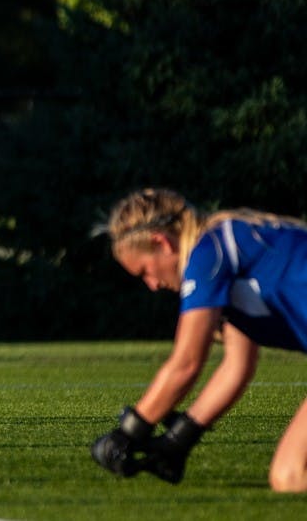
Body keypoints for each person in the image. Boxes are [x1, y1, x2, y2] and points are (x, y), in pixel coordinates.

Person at [91, 187, 307, 492]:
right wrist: (179, 439)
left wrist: (129, 432)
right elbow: (237, 366)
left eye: (145, 272)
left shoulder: (209, 255)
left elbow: (187, 363)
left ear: (162, 242)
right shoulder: (228, 251)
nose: (152, 285)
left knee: (291, 475)